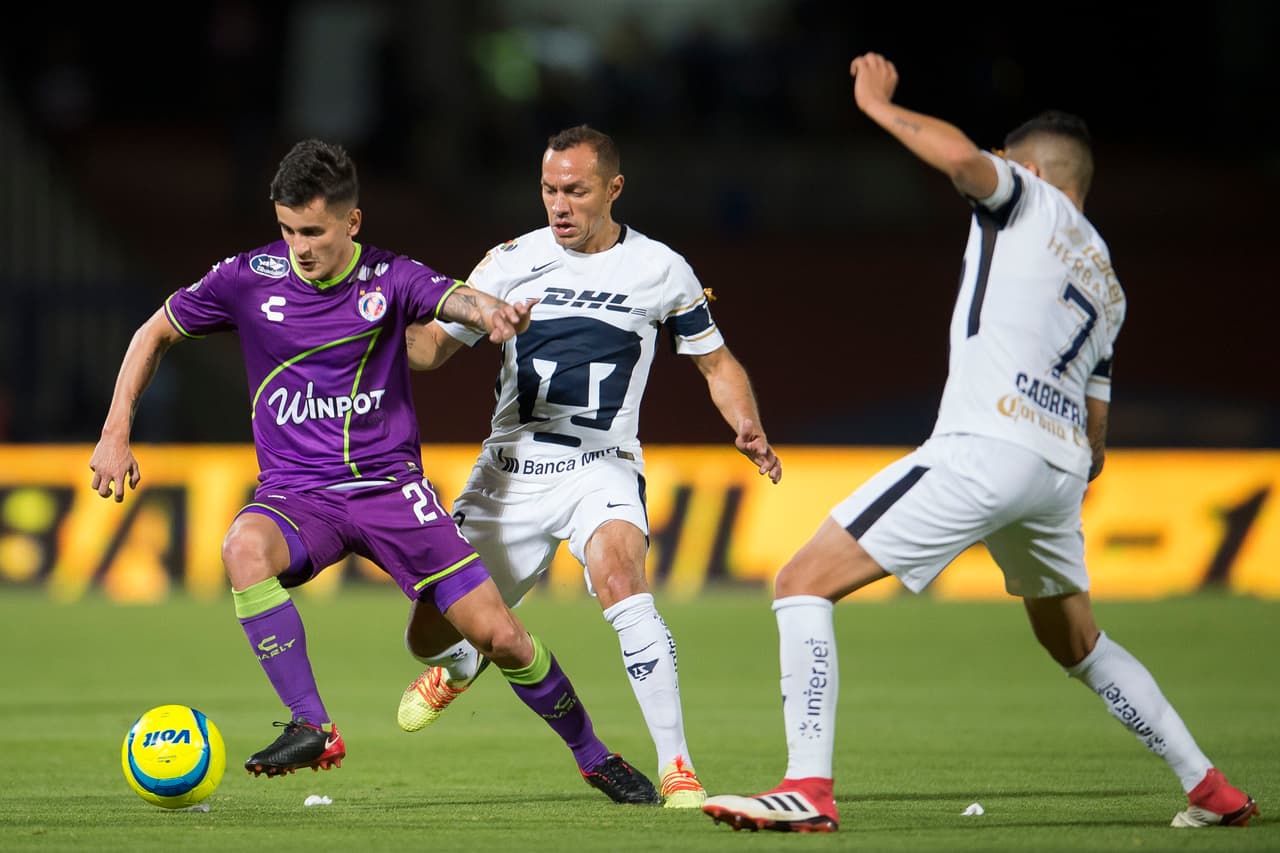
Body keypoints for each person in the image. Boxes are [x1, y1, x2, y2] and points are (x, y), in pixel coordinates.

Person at [702, 53, 1259, 833]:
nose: (992, 169)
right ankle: (1210, 787)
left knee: (801, 582)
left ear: (1029, 168)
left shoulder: (1028, 199)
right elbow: (1098, 428)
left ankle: (808, 788)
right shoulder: (1108, 281)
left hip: (988, 444)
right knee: (1078, 642)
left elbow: (962, 160)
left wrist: (878, 106)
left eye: (1006, 160)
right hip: (1059, 470)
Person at [89, 138, 659, 804]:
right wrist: (114, 432)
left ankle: (594, 756)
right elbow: (153, 331)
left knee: (501, 637)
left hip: (391, 491)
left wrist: (493, 313)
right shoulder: (247, 278)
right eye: (288, 230)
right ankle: (312, 724)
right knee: (242, 547)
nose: (300, 248)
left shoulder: (389, 278)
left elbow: (456, 299)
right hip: (298, 496)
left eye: (314, 232)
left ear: (351, 222)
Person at [396, 124, 783, 809]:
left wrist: (745, 422)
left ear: (613, 188)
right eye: (549, 189)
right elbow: (429, 351)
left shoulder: (661, 269)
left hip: (601, 466)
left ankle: (678, 766)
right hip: (509, 473)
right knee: (427, 632)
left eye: (575, 190)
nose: (559, 204)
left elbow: (717, 364)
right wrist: (365, 322)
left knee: (621, 579)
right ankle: (459, 663)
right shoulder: (511, 261)